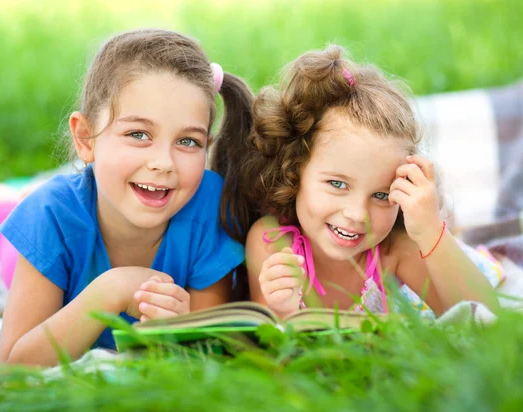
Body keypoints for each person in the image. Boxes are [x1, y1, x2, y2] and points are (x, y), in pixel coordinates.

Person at [0, 29, 254, 367]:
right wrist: (112, 290)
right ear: (86, 138)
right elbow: (15, 367)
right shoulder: (50, 218)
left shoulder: (208, 209)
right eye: (138, 134)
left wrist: (181, 327)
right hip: (40, 258)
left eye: (188, 141)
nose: (163, 163)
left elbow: (207, 349)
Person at [212, 44, 502, 318]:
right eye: (337, 184)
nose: (356, 214)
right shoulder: (272, 241)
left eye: (381, 195)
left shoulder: (394, 247)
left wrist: (428, 229)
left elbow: (483, 318)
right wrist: (283, 311)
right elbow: (280, 353)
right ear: (294, 168)